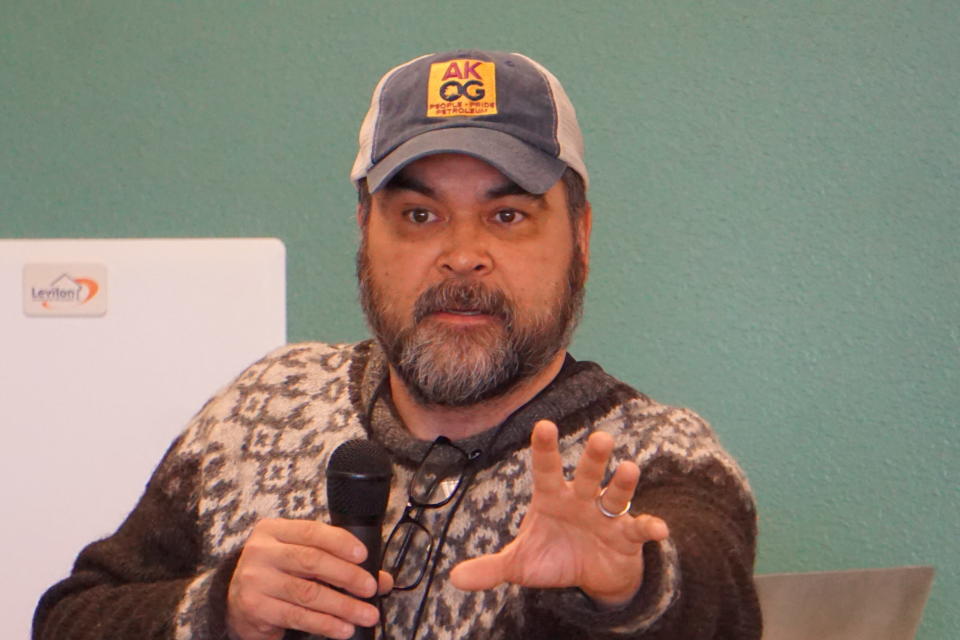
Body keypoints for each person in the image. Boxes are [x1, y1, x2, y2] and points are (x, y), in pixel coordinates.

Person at [33, 50, 761, 640]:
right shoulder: (263, 405)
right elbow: (69, 619)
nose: (462, 254)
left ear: (581, 238)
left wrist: (627, 589)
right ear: (364, 235)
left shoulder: (651, 457)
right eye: (419, 213)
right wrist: (219, 610)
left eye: (507, 215)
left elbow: (717, 601)